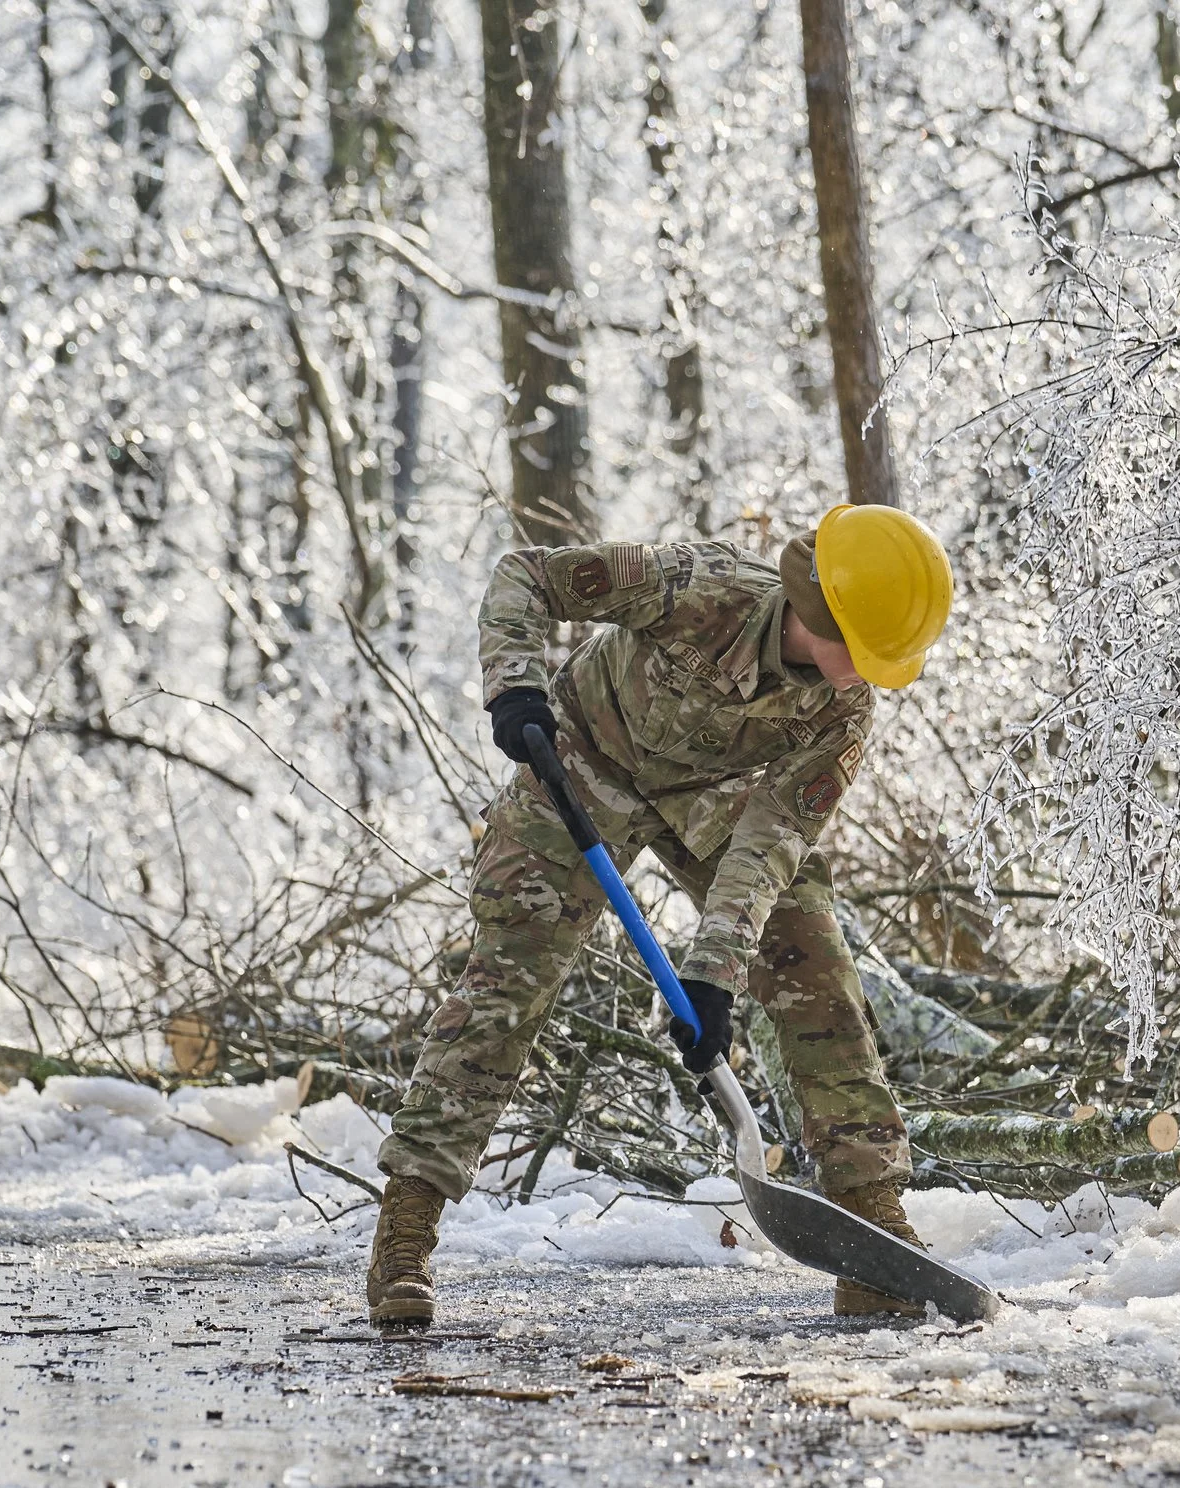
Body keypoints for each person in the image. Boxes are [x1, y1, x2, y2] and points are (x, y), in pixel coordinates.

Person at [364, 505, 955, 1328]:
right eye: (865, 651)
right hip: (578, 760)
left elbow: (773, 837)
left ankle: (874, 1231)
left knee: (811, 955)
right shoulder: (692, 587)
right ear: (821, 611)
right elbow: (526, 574)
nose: (870, 674)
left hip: (716, 803)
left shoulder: (842, 710)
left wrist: (714, 972)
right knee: (511, 978)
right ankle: (406, 1227)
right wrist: (515, 686)